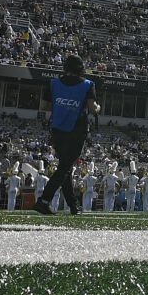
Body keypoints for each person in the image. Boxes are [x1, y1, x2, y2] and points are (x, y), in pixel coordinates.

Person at [36, 55, 98, 215]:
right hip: (77, 129)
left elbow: (45, 105)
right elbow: (92, 108)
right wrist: (98, 107)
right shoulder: (87, 85)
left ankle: (73, 206)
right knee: (65, 167)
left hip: (57, 128)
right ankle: (44, 200)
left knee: (66, 167)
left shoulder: (53, 83)